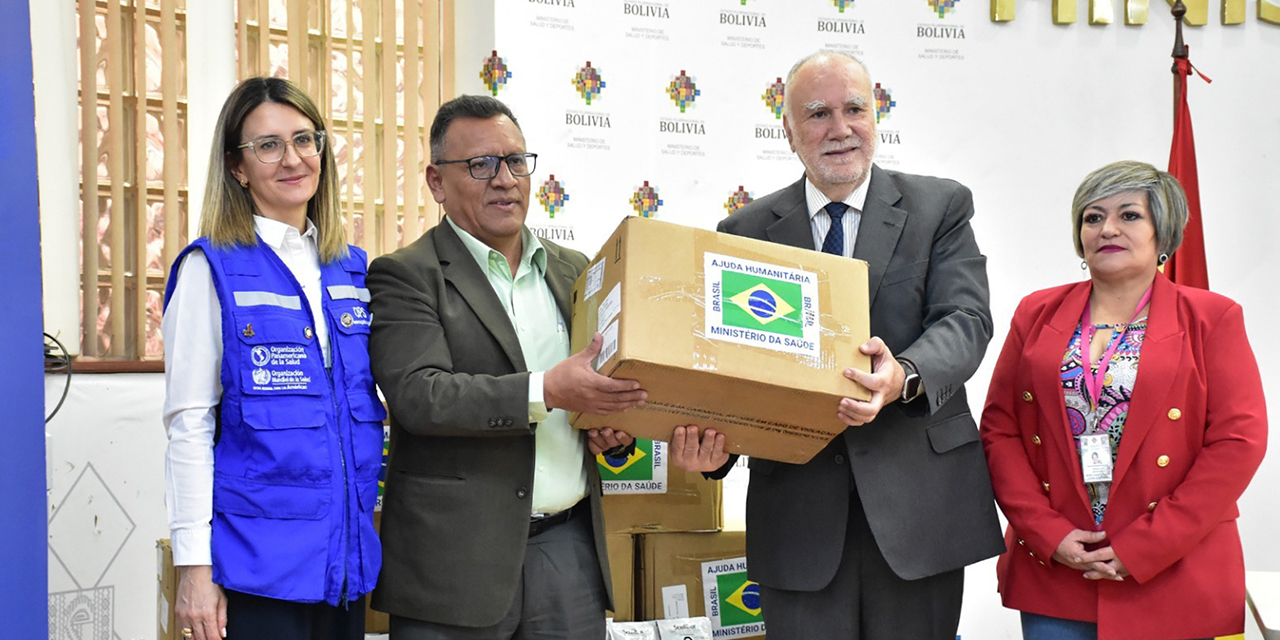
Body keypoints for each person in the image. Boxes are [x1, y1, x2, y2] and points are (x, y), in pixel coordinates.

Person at [671, 50, 1004, 639]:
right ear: (790, 132)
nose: (840, 128)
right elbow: (730, 367)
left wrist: (903, 374)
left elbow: (965, 319)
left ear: (877, 115)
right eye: (819, 113)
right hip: (797, 521)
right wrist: (716, 450)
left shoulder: (939, 207)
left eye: (855, 109)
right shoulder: (743, 232)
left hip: (917, 514)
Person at [366, 94, 646, 639]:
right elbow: (422, 397)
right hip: (454, 566)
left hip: (567, 554)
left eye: (516, 161)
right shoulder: (406, 275)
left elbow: (602, 386)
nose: (504, 179)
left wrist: (613, 431)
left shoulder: (576, 270)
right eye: (480, 165)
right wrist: (549, 390)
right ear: (436, 182)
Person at [979, 160, 1267, 640]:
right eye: (1092, 217)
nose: (1107, 228)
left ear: (1164, 232)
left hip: (1175, 571)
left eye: (1129, 215)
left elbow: (1238, 442)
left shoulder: (1213, 318)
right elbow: (1000, 429)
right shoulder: (1036, 312)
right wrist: (1048, 533)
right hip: (1059, 572)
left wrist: (1145, 547)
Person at [162, 77, 383, 640]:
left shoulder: (352, 269)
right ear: (238, 167)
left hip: (344, 569)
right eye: (268, 145)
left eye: (305, 139)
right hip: (255, 575)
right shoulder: (209, 269)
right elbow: (189, 425)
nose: (293, 158)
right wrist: (193, 568)